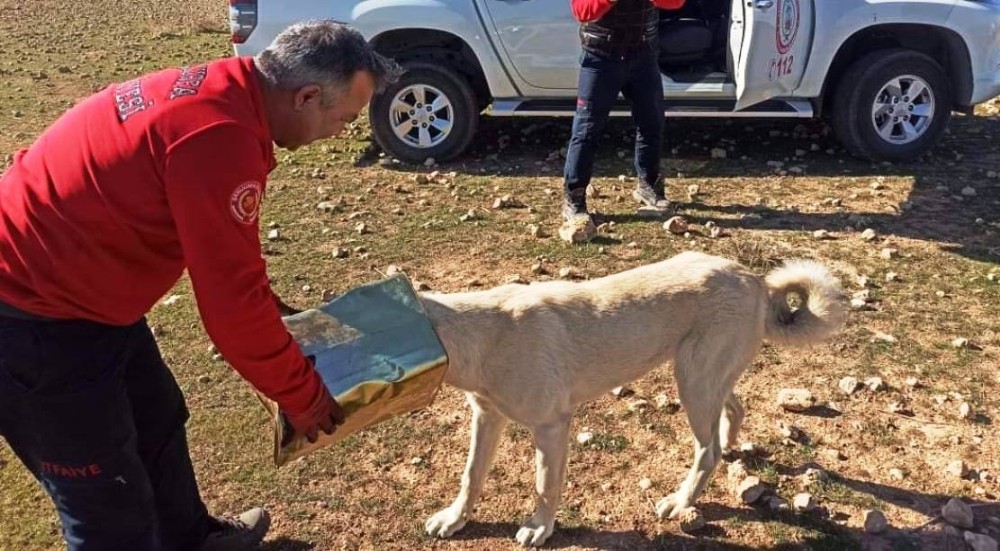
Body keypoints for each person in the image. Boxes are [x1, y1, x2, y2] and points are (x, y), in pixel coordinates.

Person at [0, 20, 399, 551]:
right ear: (305, 96)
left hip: (87, 294)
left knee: (156, 420)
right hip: (30, 315)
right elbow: (231, 310)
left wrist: (281, 315)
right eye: (343, 118)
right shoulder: (220, 137)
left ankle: (191, 539)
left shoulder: (227, 94)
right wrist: (303, 398)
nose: (340, 131)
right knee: (105, 505)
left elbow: (226, 262)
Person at [561, 0, 685, 240]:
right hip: (600, 56)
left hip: (642, 55)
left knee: (651, 123)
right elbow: (582, 11)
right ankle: (574, 198)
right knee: (586, 130)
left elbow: (676, 2)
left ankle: (648, 185)